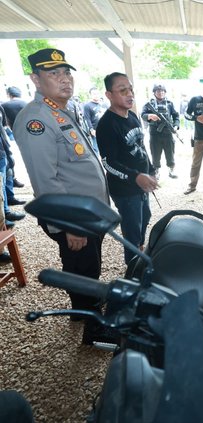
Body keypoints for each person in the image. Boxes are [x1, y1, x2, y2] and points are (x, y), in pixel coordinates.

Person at [13, 48, 110, 345]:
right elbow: (46, 179)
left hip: (86, 211)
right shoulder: (37, 120)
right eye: (53, 73)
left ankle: (82, 311)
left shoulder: (61, 109)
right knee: (84, 267)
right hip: (73, 217)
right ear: (35, 79)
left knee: (84, 263)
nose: (64, 79)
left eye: (66, 72)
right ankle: (95, 331)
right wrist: (71, 225)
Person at [96, 72, 157, 265]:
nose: (129, 94)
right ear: (109, 95)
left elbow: (141, 146)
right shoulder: (106, 124)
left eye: (130, 89)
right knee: (131, 232)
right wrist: (135, 177)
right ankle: (133, 272)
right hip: (125, 190)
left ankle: (140, 255)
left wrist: (152, 169)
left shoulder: (132, 116)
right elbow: (108, 163)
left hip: (142, 184)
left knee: (145, 218)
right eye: (123, 90)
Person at [141, 84, 180, 179]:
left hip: (167, 133)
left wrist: (175, 126)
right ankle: (156, 171)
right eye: (158, 91)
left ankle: (171, 170)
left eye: (162, 91)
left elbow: (176, 116)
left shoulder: (169, 103)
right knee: (155, 153)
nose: (161, 93)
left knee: (170, 152)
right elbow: (143, 114)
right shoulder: (150, 104)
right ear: (154, 93)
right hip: (155, 133)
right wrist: (150, 116)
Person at [0, 105, 25, 227]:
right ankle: (3, 217)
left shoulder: (0, 107)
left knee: (5, 180)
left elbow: (3, 126)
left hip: (2, 149)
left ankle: (5, 211)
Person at [83, 86, 108, 153]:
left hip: (107, 129)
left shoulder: (105, 104)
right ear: (90, 95)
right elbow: (87, 119)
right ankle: (100, 162)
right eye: (94, 94)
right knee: (97, 149)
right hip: (96, 131)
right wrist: (91, 129)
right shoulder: (87, 106)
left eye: (97, 93)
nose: (96, 95)